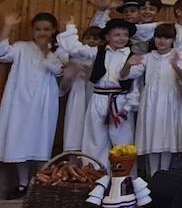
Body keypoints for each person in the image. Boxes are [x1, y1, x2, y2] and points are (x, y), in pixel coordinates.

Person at [59, 18, 143, 170]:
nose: (122, 38)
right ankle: (97, 177)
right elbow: (75, 49)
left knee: (122, 142)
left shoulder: (133, 56)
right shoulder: (97, 51)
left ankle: (123, 180)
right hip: (98, 98)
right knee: (94, 140)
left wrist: (128, 107)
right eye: (117, 34)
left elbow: (133, 83)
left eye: (125, 35)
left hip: (120, 102)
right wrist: (71, 27)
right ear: (107, 37)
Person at [0, 13, 63, 197]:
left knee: (41, 141)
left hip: (44, 103)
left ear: (53, 31)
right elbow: (2, 54)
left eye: (46, 29)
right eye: (38, 29)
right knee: (20, 142)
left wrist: (45, 52)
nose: (41, 33)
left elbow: (58, 70)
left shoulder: (57, 51)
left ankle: (40, 182)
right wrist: (7, 27)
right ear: (32, 30)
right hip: (19, 102)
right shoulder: (21, 47)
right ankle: (23, 184)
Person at [131, 24, 182, 176]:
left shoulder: (180, 56)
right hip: (151, 101)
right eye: (159, 37)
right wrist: (128, 64)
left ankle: (163, 175)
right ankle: (153, 174)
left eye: (167, 38)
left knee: (167, 137)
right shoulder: (148, 57)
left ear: (173, 40)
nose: (162, 41)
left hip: (171, 100)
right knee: (152, 136)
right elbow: (129, 75)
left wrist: (175, 65)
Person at [59, 25, 103, 152]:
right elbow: (64, 84)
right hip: (78, 94)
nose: (91, 41)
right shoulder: (75, 57)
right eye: (88, 38)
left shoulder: (100, 56)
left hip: (94, 93)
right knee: (76, 122)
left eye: (95, 38)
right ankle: (73, 153)